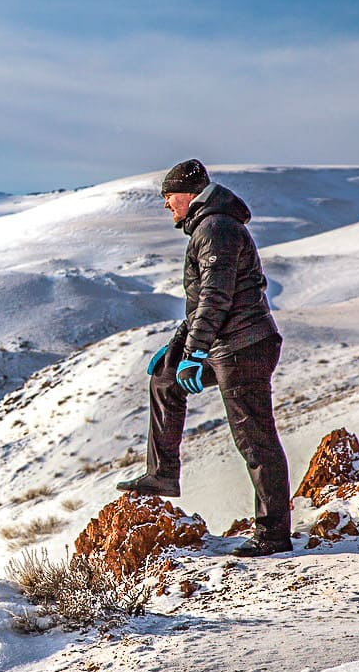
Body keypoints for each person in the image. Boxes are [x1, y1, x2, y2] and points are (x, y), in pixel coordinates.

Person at [117, 159, 292, 557]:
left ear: (188, 194)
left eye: (168, 197)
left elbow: (217, 297)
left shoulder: (216, 228)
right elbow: (200, 304)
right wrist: (178, 349)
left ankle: (273, 534)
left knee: (255, 439)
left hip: (245, 346)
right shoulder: (207, 228)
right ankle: (161, 475)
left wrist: (195, 352)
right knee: (165, 378)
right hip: (227, 344)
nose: (166, 206)